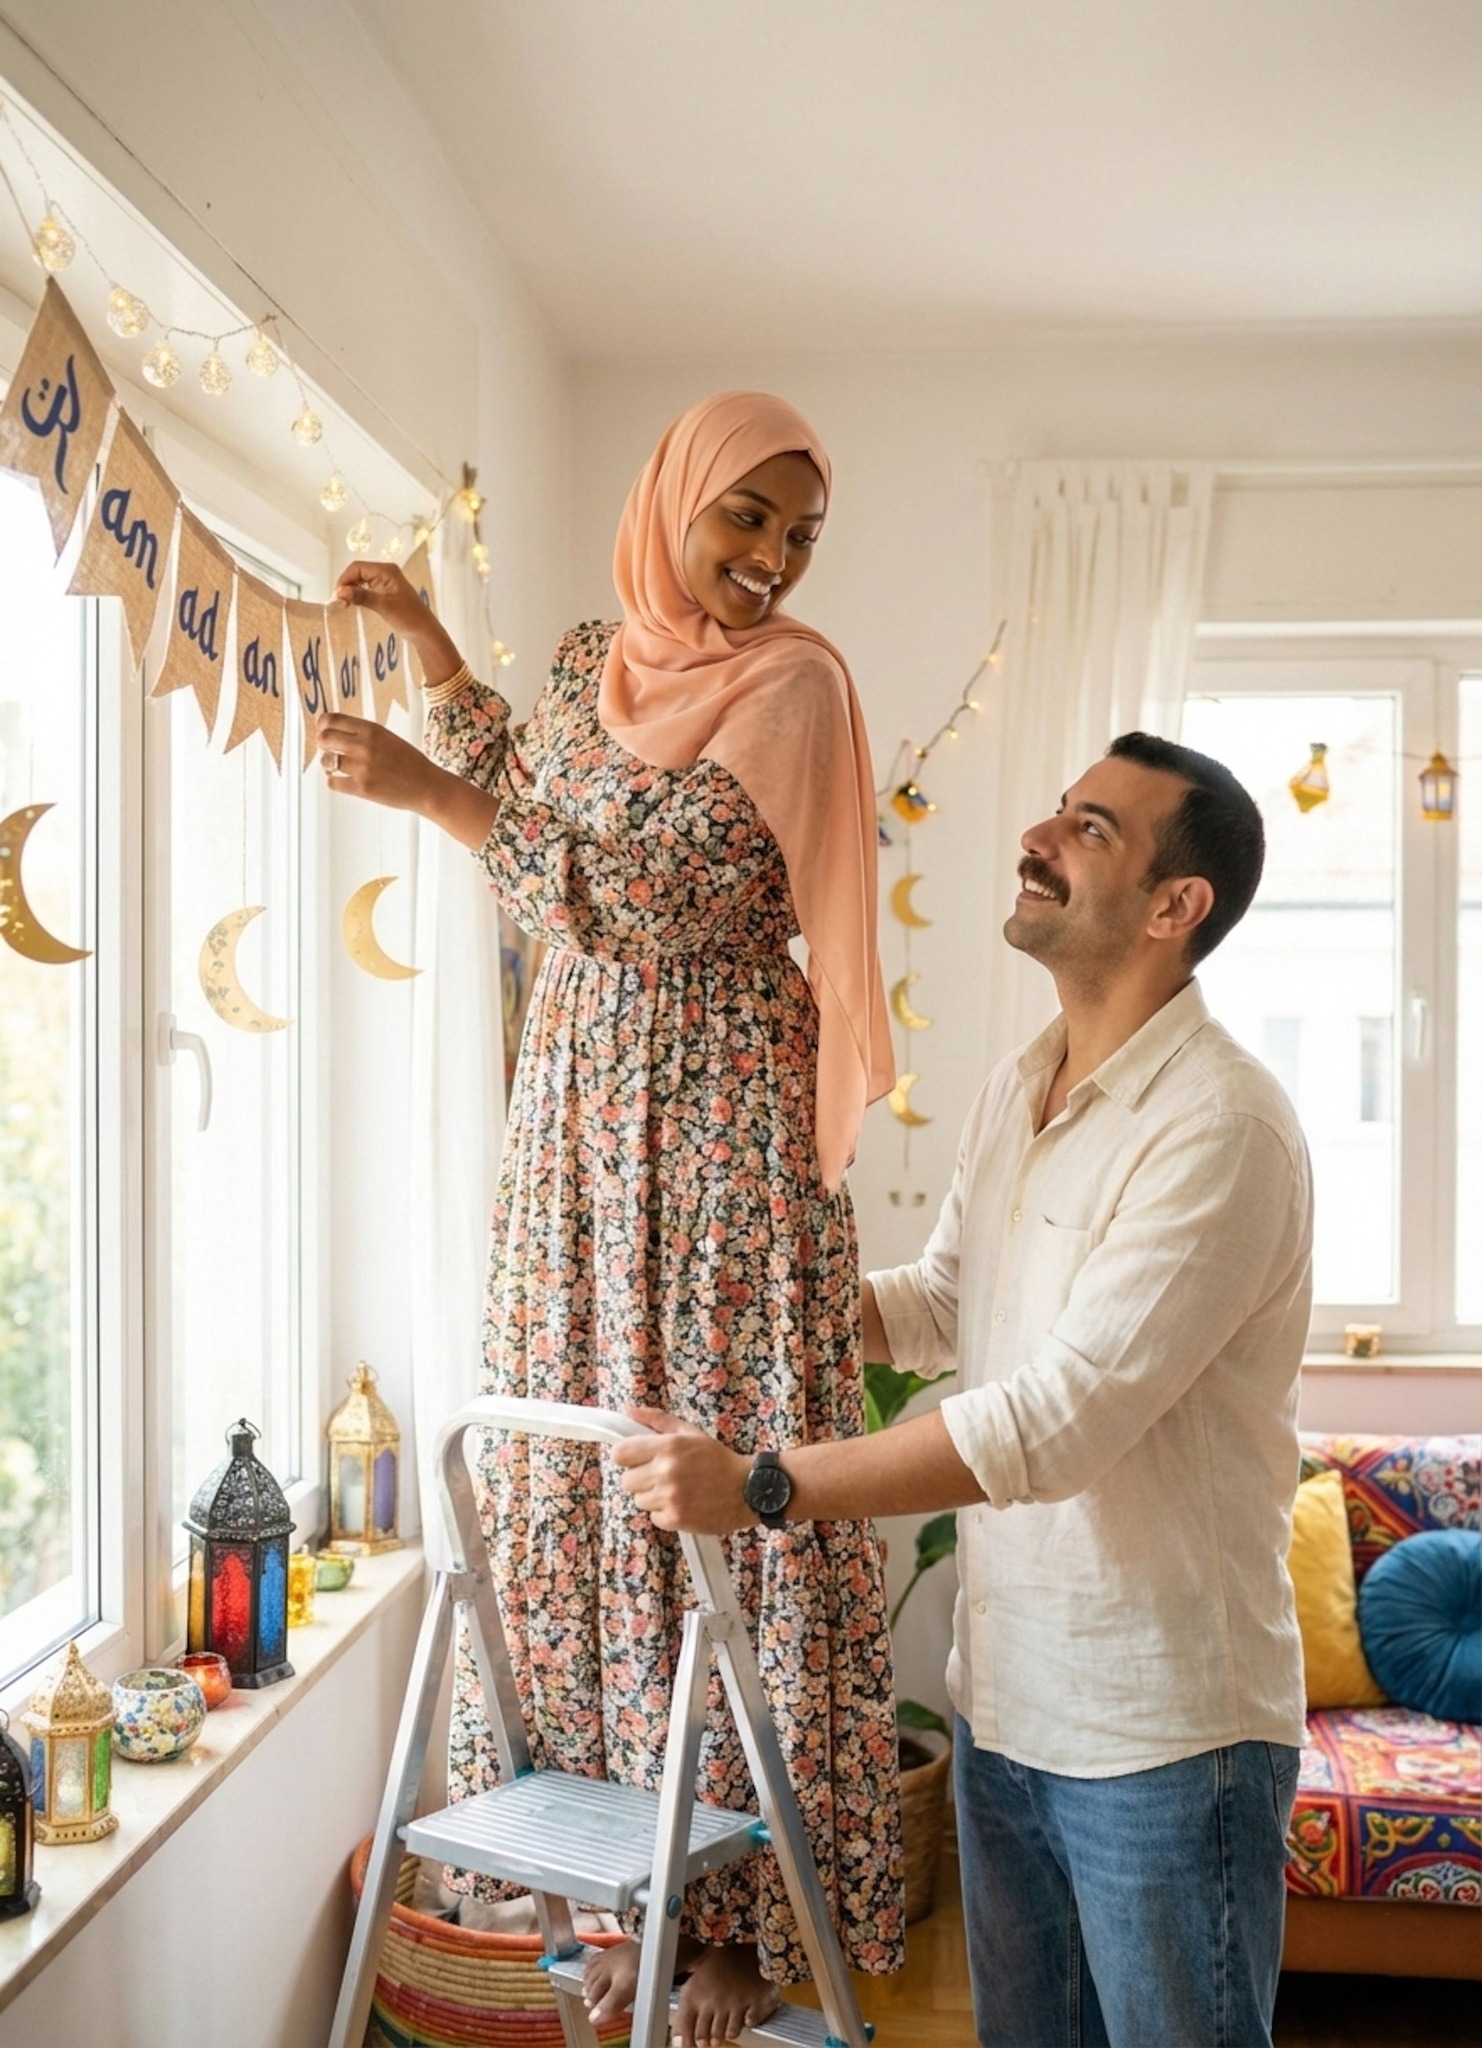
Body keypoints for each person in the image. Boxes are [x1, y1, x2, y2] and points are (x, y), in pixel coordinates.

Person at [315, 391, 905, 2048]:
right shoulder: (589, 658)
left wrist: (438, 802)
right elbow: (547, 789)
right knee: (579, 1480)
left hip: (713, 1112)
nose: (769, 563)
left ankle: (741, 1930)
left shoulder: (794, 683)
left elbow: (656, 887)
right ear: (676, 501)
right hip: (575, 1110)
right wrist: (438, 654)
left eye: (797, 536)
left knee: (714, 1490)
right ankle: (605, 1901)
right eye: (746, 520)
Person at [614, 732, 1314, 2048]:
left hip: (1162, 1736)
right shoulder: (1017, 1084)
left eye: (1089, 828)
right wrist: (752, 1295)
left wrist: (762, 1486)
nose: (1036, 838)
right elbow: (944, 1301)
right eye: (1055, 809)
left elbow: (1051, 1425)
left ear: (1174, 909)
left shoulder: (1220, 1127)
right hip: (1004, 1706)